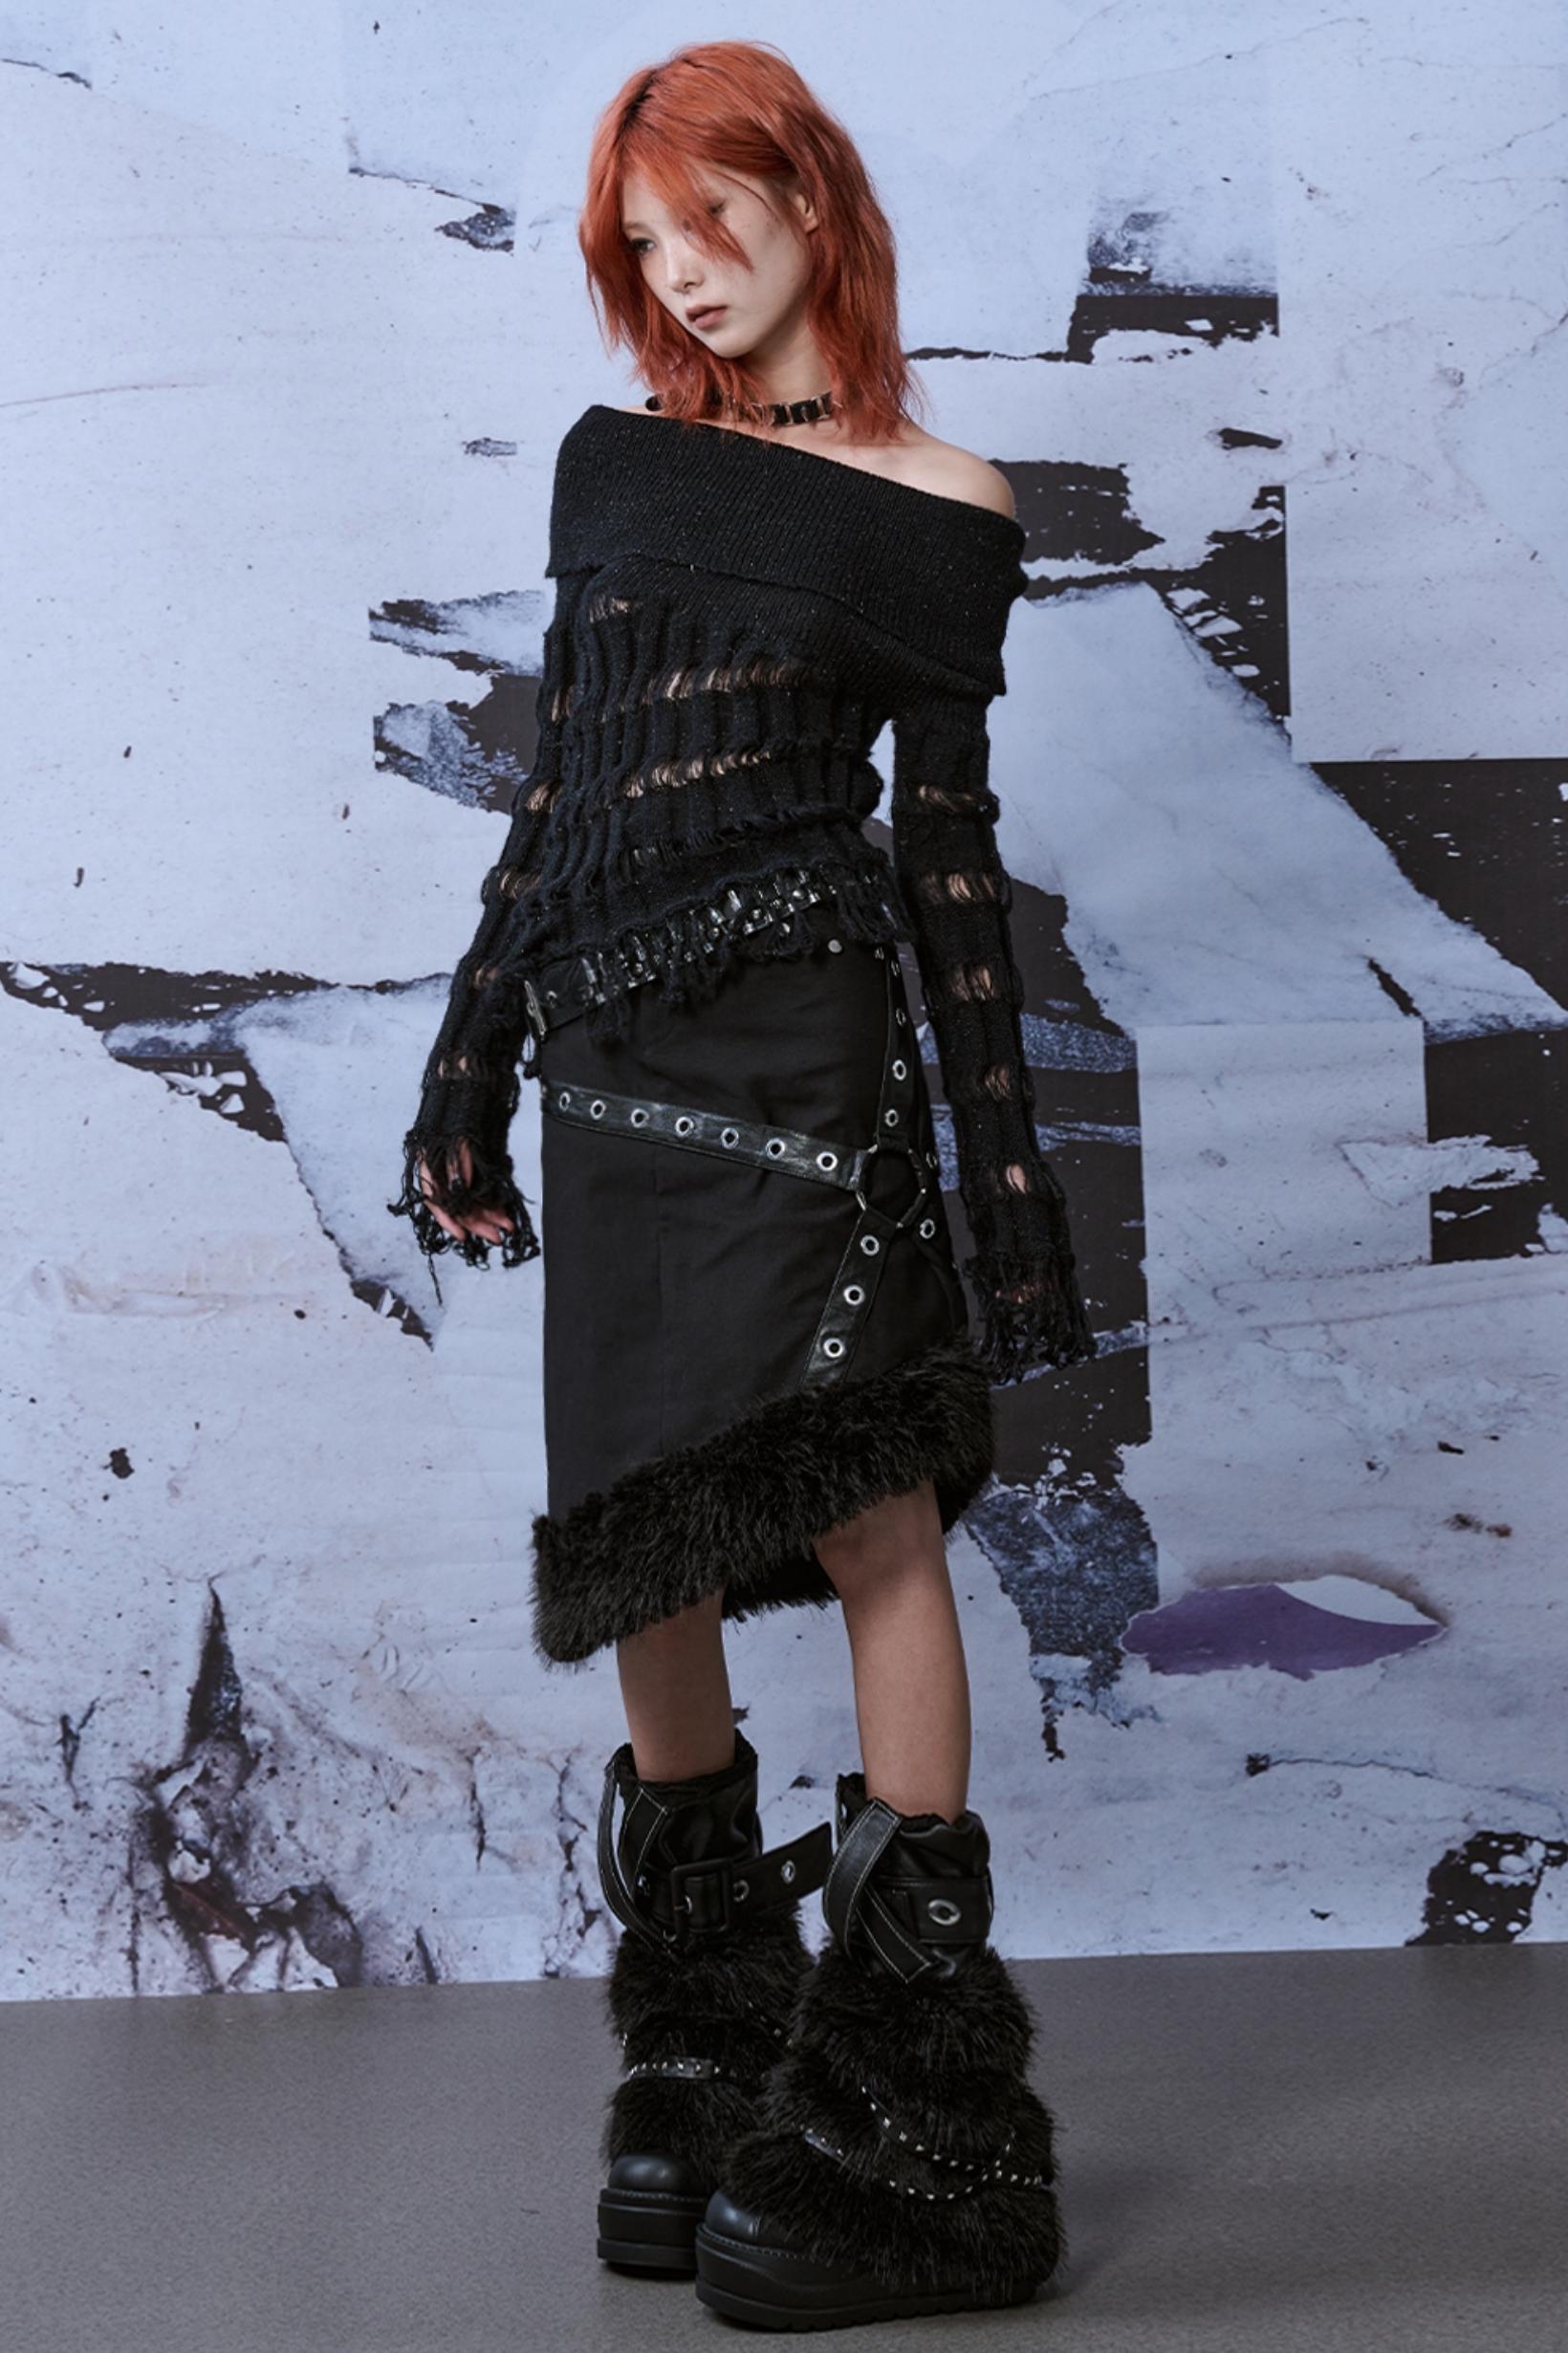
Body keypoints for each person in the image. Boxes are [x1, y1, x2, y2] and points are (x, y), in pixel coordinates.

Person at [387, 35, 1096, 2331]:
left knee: (870, 1511)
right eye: (644, 244)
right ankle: (702, 2050)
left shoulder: (943, 503)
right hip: (612, 1069)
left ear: (811, 197)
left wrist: (1007, 1200)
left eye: (714, 219)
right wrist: (465, 1069)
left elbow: (950, 871)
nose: (684, 273)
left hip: (807, 1063)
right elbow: (558, 797)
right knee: (647, 1533)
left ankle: (918, 2118)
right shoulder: (615, 468)